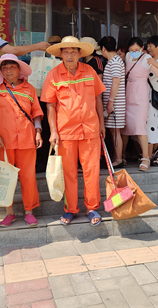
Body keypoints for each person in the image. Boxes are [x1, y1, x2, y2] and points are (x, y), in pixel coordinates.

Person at [41, 36, 106, 227]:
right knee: (68, 173)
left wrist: (102, 124)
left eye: (73, 51)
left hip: (90, 129)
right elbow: (50, 106)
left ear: (80, 53)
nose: (69, 55)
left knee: (91, 171)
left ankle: (92, 207)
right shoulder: (53, 74)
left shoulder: (90, 71)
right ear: (61, 54)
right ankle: (70, 209)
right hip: (65, 132)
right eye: (66, 51)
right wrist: (53, 131)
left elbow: (98, 100)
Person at [0, 54, 44, 228]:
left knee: (28, 178)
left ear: (19, 70)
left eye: (12, 67)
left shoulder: (30, 89)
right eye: (4, 67)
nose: (8, 70)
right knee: (5, 178)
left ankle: (29, 212)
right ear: (0, 71)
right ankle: (9, 213)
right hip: (2, 141)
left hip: (27, 140)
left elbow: (35, 113)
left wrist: (38, 132)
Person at [122, 37, 158, 171]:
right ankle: (121, 155)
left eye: (137, 49)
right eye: (132, 49)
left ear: (142, 48)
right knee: (126, 126)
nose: (134, 52)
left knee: (141, 125)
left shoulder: (146, 58)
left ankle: (146, 158)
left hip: (142, 93)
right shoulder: (128, 57)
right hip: (129, 92)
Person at [99, 36, 126, 167]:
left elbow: (116, 81)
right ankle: (117, 157)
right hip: (114, 102)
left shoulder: (115, 62)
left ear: (103, 49)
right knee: (113, 131)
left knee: (115, 131)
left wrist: (110, 102)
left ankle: (118, 159)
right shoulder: (115, 61)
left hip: (115, 103)